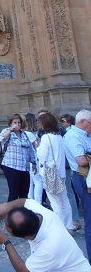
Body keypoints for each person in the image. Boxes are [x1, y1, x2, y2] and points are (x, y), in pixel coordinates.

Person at [36, 112, 73, 231]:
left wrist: (37, 147)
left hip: (50, 173)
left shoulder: (46, 137)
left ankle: (60, 227)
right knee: (64, 199)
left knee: (54, 201)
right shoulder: (59, 136)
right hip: (60, 172)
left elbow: (42, 156)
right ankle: (69, 225)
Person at [63, 109, 91, 262]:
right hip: (83, 178)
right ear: (83, 122)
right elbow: (81, 160)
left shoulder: (84, 135)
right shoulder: (73, 136)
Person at [0, 113, 37, 202]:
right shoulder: (8, 132)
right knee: (14, 192)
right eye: (15, 122)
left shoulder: (24, 134)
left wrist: (34, 162)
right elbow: (1, 138)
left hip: (24, 167)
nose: (17, 124)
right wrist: (11, 130)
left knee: (24, 193)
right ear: (11, 123)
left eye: (19, 122)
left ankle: (22, 212)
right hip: (11, 166)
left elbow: (30, 148)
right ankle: (10, 212)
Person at [60, 113, 81, 230]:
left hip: (70, 166)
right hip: (69, 166)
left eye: (63, 121)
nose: (62, 123)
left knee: (70, 193)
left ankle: (75, 219)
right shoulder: (64, 133)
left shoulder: (70, 133)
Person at [24, 113, 43, 203]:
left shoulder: (23, 133)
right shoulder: (31, 134)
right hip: (34, 159)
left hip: (27, 160)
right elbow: (36, 147)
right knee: (38, 181)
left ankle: (30, 201)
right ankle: (37, 202)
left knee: (30, 182)